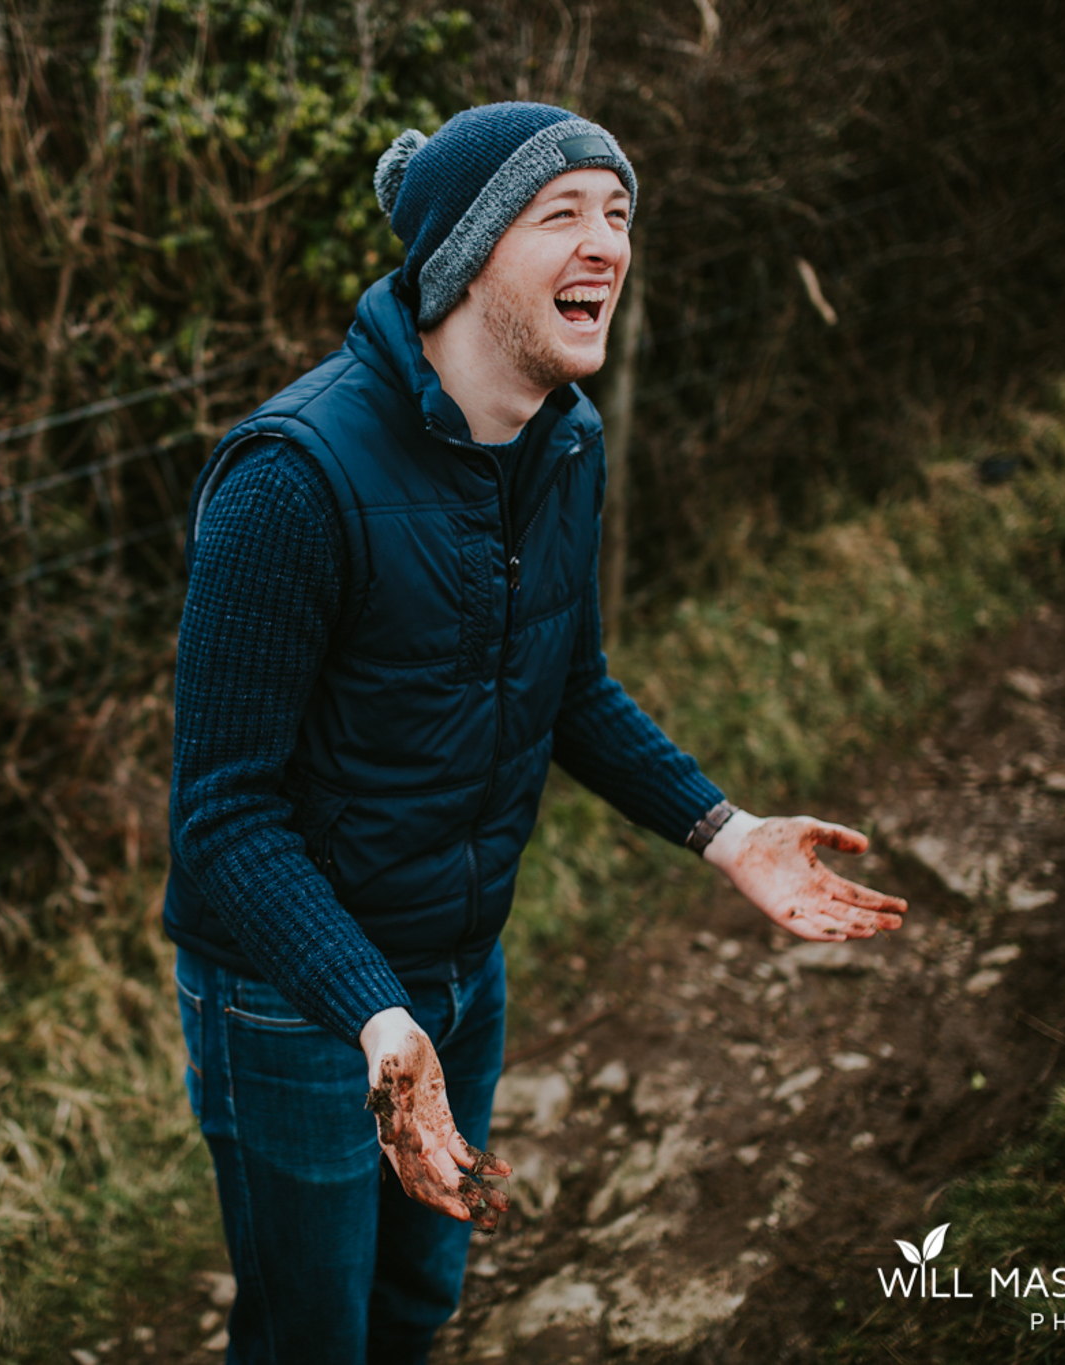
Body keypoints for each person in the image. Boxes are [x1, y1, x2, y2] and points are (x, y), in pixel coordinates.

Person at [164, 102, 907, 1365]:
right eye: (559, 213)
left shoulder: (566, 443)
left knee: (413, 1308)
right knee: (308, 1341)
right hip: (293, 1008)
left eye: (617, 214)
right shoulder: (290, 480)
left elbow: (567, 685)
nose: (605, 242)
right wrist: (371, 1015)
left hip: (459, 974)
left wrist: (724, 834)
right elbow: (222, 816)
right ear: (459, 254)